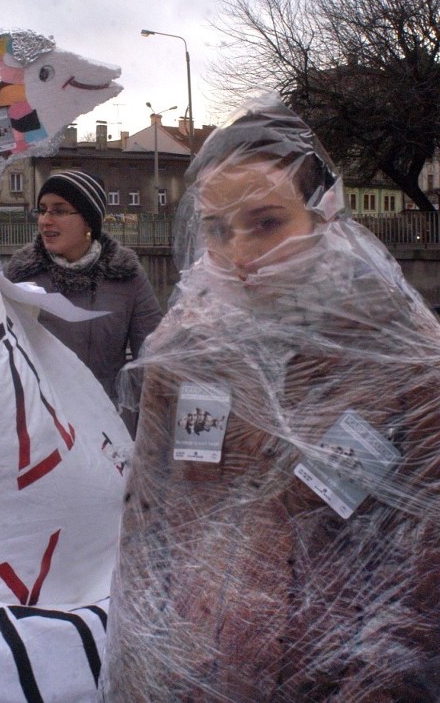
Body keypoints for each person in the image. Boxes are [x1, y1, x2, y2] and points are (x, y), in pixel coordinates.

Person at [100, 92, 440, 701]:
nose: (240, 255)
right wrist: (137, 669)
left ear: (324, 213)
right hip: (194, 670)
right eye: (216, 230)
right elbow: (147, 529)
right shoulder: (185, 354)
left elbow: (421, 569)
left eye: (266, 222)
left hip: (339, 681)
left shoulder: (406, 361)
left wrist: (375, 688)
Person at [5, 170, 162, 415]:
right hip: (44, 420)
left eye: (59, 210)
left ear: (89, 220)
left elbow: (153, 359)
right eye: (42, 209)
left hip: (108, 420)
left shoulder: (126, 276)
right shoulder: (19, 276)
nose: (45, 220)